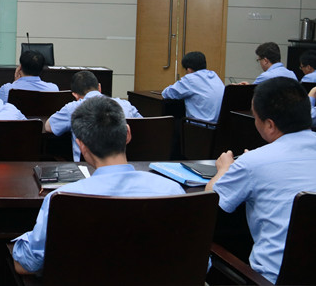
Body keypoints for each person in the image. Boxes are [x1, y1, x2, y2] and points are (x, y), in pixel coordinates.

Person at [12, 96, 184, 274]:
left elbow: (29, 263)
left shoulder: (62, 199)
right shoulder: (172, 190)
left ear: (81, 146)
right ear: (128, 134)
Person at [206, 77, 316, 284]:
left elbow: (210, 202)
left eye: (255, 117)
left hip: (269, 280)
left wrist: (224, 170)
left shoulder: (253, 163)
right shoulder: (254, 162)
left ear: (270, 125)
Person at [45, 70, 141, 161]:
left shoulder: (72, 108)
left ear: (75, 95)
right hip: (128, 162)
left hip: (86, 167)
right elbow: (142, 126)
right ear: (99, 87)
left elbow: (48, 127)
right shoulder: (126, 105)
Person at [161, 51, 225, 122]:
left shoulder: (190, 79)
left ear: (189, 70)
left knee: (174, 121)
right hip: (220, 125)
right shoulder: (214, 75)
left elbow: (167, 93)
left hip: (201, 125)